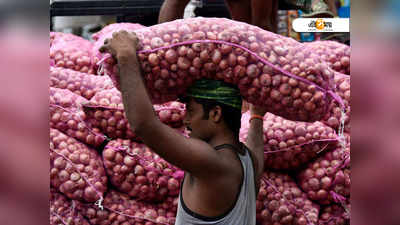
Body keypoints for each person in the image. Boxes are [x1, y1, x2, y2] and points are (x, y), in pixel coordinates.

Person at [100, 30, 267, 225]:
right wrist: (257, 117)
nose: (185, 120)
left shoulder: (213, 163)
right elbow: (256, 151)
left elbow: (145, 126)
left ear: (215, 114)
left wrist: (126, 56)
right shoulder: (248, 161)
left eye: (191, 111)